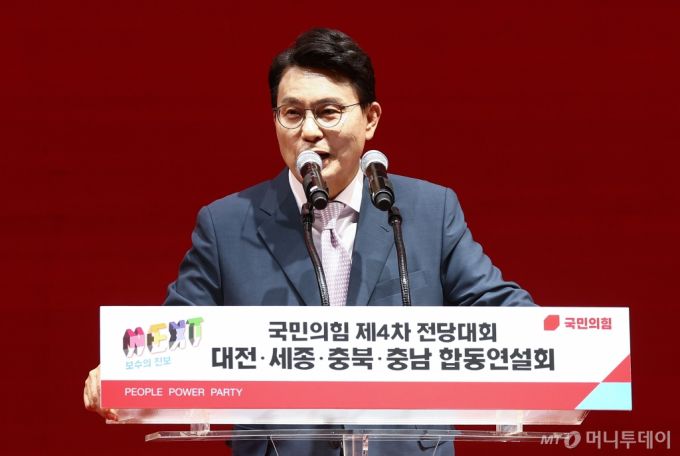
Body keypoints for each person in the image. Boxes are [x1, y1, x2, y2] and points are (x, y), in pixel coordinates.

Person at [85, 27, 534, 455]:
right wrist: (123, 371)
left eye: (329, 112)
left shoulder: (427, 211)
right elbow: (179, 331)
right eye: (293, 113)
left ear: (371, 119)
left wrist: (561, 351)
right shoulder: (226, 225)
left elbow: (497, 307)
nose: (310, 131)